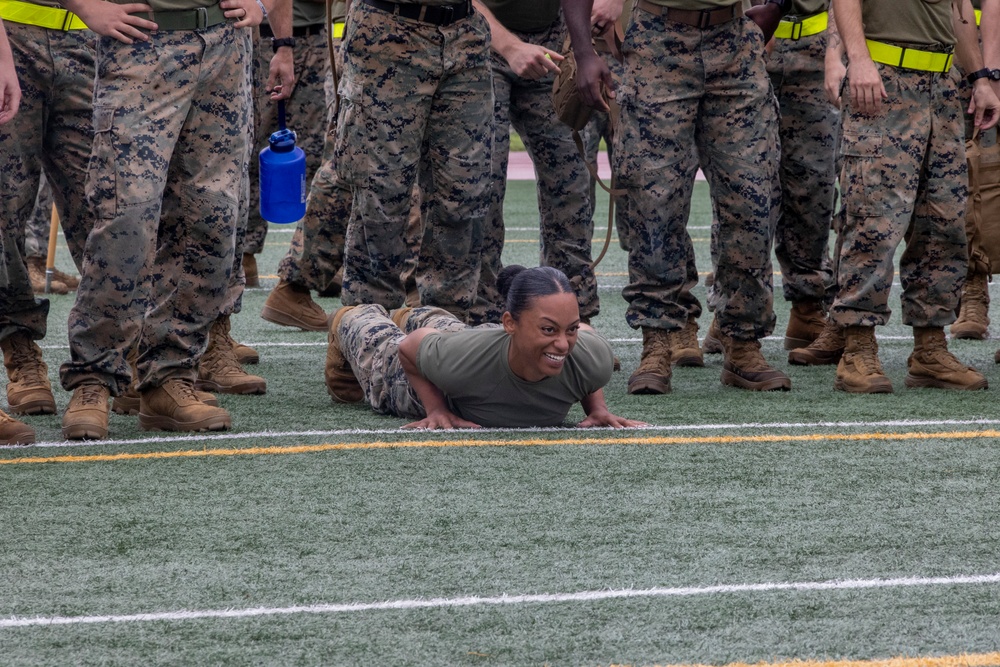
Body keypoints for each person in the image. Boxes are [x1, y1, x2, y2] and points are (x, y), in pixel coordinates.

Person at [58, 0, 269, 439]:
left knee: (212, 221)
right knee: (126, 218)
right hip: (141, 45)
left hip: (224, 46)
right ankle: (94, 378)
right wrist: (83, 6)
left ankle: (169, 376)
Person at [563, 0, 794, 395]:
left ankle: (742, 344)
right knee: (654, 207)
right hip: (657, 40)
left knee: (751, 201)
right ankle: (657, 342)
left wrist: (778, 6)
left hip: (734, 41)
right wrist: (584, 51)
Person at [829, 0, 999, 393]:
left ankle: (930, 349)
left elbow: (955, 17)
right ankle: (856, 349)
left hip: (941, 86)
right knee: (874, 221)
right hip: (885, 80)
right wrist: (858, 59)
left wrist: (979, 78)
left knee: (943, 222)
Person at [325, 265, 645, 429]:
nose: (563, 343)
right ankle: (352, 318)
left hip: (482, 344)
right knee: (380, 343)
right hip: (423, 379)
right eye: (549, 329)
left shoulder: (592, 359)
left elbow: (585, 340)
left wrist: (597, 409)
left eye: (570, 329)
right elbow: (410, 348)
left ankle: (415, 314)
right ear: (510, 322)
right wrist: (437, 411)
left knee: (455, 334)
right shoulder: (464, 362)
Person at [335, 0, 491, 320]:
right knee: (381, 192)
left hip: (465, 31)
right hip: (388, 28)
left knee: (464, 192)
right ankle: (366, 328)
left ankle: (446, 328)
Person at [468, 1, 600, 326]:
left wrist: (583, 50)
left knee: (571, 183)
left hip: (550, 42)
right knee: (479, 187)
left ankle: (570, 316)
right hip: (477, 45)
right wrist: (511, 47)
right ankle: (483, 320)